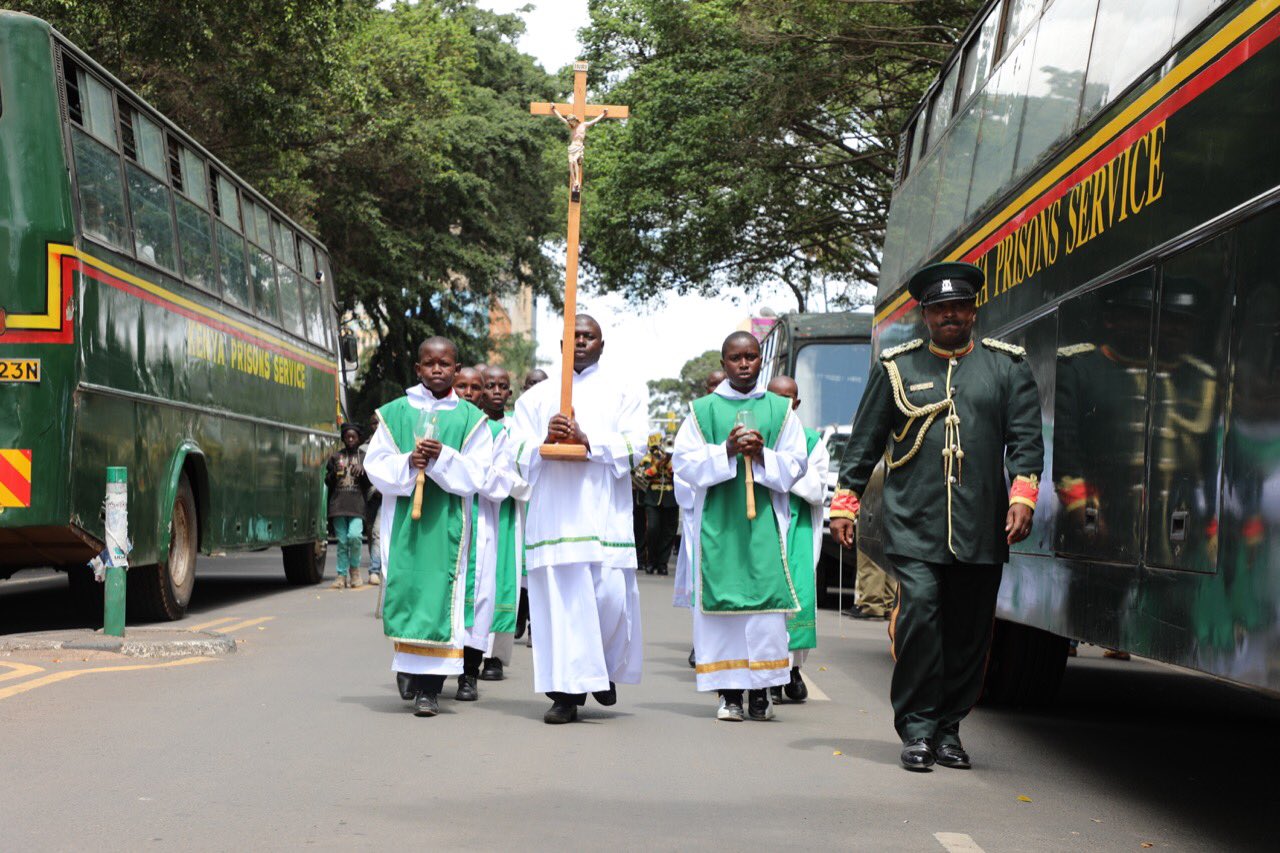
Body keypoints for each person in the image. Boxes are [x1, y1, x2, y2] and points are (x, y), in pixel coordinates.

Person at [830, 262, 1044, 771]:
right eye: (940, 308)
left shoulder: (1007, 366)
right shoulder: (897, 367)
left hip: (980, 524)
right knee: (922, 617)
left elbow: (1027, 441)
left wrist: (1023, 497)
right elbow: (864, 443)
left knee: (969, 633)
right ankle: (918, 728)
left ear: (974, 311)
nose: (951, 316)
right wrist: (846, 500)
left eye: (960, 307)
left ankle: (949, 730)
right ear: (926, 315)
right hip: (913, 520)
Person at [510, 314, 648, 724]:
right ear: (561, 345)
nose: (582, 342)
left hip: (604, 515)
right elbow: (514, 451)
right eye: (574, 336)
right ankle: (565, 695)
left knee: (608, 598)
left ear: (602, 345)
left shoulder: (624, 390)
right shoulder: (536, 398)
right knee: (561, 609)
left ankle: (600, 668)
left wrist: (590, 442)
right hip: (556, 518)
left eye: (589, 336)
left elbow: (637, 445)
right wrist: (544, 441)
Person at [673, 332, 807, 722]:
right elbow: (684, 463)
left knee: (764, 613)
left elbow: (796, 463)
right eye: (736, 358)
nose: (745, 364)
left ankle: (761, 692)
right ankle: (729, 694)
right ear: (724, 362)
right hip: (720, 525)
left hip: (764, 523)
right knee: (723, 613)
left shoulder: (781, 410)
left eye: (751, 357)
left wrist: (762, 454)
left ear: (760, 361)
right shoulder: (703, 410)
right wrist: (727, 451)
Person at [364, 337, 494, 717]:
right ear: (418, 368)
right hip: (404, 520)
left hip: (447, 524)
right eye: (429, 363)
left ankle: (429, 690)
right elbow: (376, 464)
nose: (437, 369)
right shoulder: (395, 412)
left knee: (441, 598)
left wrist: (442, 458)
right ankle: (407, 665)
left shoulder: (472, 418)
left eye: (445, 363)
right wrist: (408, 461)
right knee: (406, 590)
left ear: (457, 368)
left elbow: (477, 473)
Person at [765, 375, 830, 703]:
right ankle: (772, 674)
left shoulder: (810, 440)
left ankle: (791, 669)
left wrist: (784, 469)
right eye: (776, 397)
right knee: (767, 600)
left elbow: (818, 489)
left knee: (798, 595)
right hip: (763, 528)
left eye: (789, 398)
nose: (783, 404)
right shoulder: (756, 434)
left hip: (798, 528)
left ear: (797, 403)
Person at [679, 368, 729, 669]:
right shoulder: (697, 417)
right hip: (702, 512)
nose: (717, 389)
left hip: (743, 513)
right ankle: (702, 644)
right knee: (702, 580)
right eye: (712, 385)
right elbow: (683, 470)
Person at [477, 365, 525, 682]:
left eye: (502, 385)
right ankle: (469, 653)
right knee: (477, 582)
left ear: (510, 392)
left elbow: (526, 469)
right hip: (477, 508)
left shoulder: (520, 430)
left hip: (507, 510)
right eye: (490, 385)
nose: (496, 390)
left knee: (504, 582)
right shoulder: (473, 427)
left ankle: (494, 657)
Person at [326, 423, 371, 589]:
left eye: (353, 437)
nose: (350, 439)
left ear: (359, 438)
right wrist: (333, 472)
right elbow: (328, 482)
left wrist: (363, 470)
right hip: (338, 505)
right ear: (343, 438)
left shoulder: (365, 457)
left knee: (354, 537)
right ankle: (341, 575)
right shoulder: (336, 457)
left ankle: (355, 570)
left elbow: (371, 483)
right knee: (343, 541)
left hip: (357, 506)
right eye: (347, 437)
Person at [639, 434, 678, 575]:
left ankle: (663, 564)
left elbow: (676, 472)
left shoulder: (675, 457)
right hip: (653, 499)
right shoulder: (650, 457)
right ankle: (650, 561)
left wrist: (668, 460)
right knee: (653, 530)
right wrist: (659, 462)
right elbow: (646, 474)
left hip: (671, 499)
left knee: (668, 533)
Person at [361, 413, 384, 586]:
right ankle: (378, 562)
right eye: (373, 423)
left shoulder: (392, 445)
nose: (376, 425)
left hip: (387, 496)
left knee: (378, 532)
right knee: (371, 533)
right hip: (370, 497)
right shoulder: (364, 449)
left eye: (379, 422)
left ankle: (375, 570)